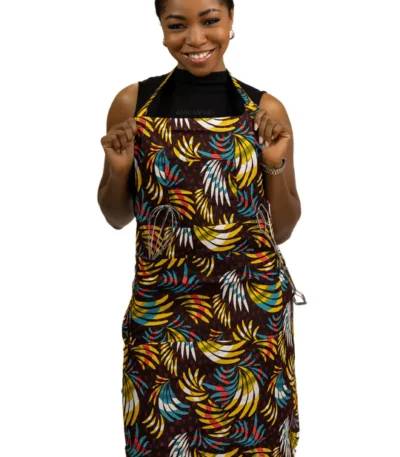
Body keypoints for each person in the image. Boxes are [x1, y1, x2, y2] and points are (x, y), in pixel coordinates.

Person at [98, 1, 306, 456]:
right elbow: (116, 216)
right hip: (162, 315)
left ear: (231, 21)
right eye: (178, 25)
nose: (195, 39)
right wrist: (119, 168)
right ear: (161, 29)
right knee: (159, 439)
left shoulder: (265, 109)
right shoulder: (133, 104)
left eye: (210, 21)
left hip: (250, 317)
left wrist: (273, 163)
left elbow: (284, 228)